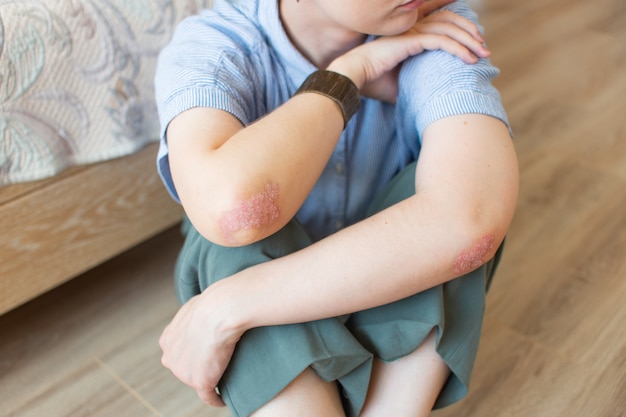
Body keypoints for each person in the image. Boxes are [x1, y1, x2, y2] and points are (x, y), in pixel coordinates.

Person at [154, 0, 519, 415]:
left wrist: (229, 306)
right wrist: (343, 80)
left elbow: (470, 218)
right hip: (273, 309)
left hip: (383, 287)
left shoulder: (433, 26)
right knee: (232, 238)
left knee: (471, 179)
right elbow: (232, 211)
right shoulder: (217, 44)